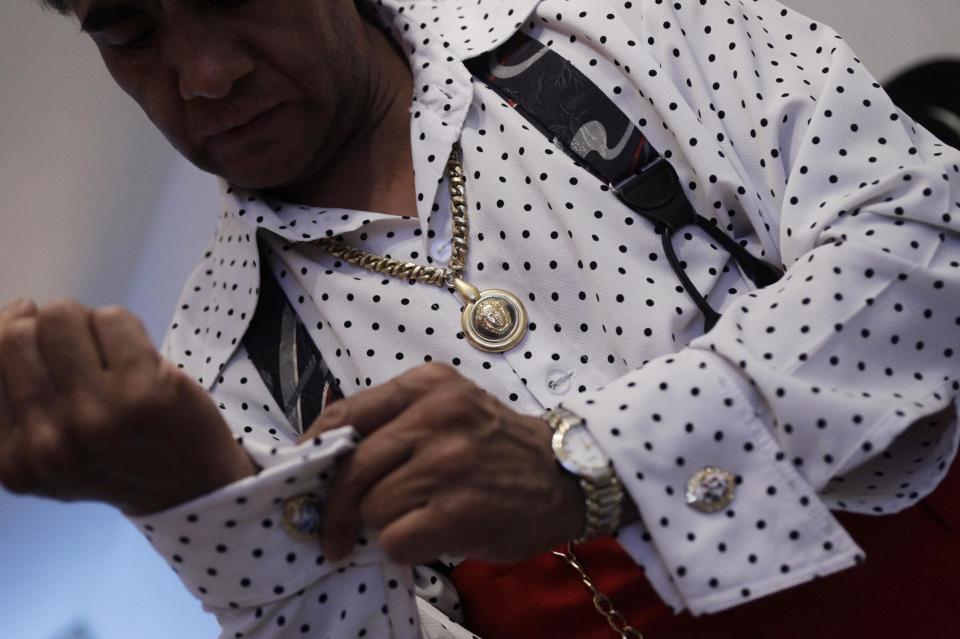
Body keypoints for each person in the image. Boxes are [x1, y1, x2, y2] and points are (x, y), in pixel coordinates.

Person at [2, 0, 959, 637]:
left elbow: (930, 242)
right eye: (130, 30)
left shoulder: (635, 28)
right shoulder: (217, 372)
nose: (204, 74)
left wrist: (587, 462)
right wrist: (207, 502)